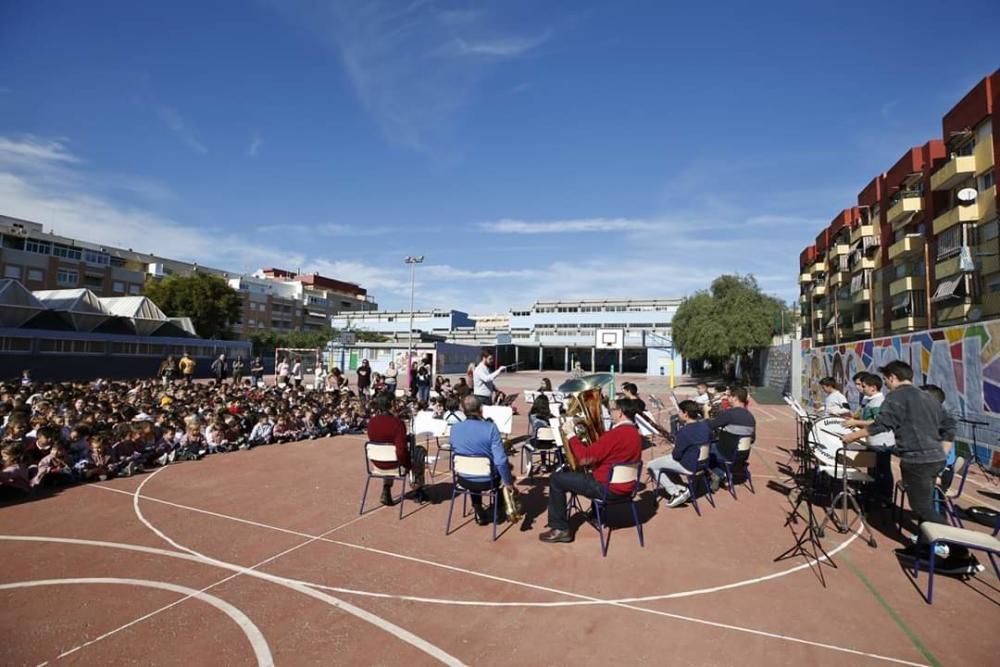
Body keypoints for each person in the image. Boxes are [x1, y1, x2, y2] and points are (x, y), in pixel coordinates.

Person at [841, 361, 952, 560]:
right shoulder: (925, 396)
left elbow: (882, 424)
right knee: (924, 504)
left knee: (921, 507)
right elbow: (950, 424)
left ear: (892, 377)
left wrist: (852, 436)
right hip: (933, 459)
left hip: (917, 461)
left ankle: (956, 548)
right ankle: (927, 545)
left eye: (886, 380)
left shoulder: (897, 397)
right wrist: (942, 451)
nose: (886, 384)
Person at [539, 397, 643, 543]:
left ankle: (560, 529)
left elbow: (584, 458)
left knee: (556, 479)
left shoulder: (615, 435)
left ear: (620, 413)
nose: (610, 414)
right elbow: (614, 455)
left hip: (607, 488)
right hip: (628, 488)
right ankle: (595, 516)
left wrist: (571, 435)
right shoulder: (636, 434)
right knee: (592, 473)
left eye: (612, 411)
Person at [449, 395, 515, 525]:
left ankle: (479, 510)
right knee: (503, 470)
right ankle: (497, 509)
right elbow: (501, 461)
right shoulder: (490, 428)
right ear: (481, 410)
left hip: (463, 478)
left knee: (474, 470)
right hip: (488, 481)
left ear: (463, 411)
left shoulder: (454, 428)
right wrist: (508, 482)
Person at [366, 391, 429, 505]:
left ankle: (386, 488)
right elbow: (401, 452)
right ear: (391, 403)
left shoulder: (371, 422)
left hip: (376, 464)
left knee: (389, 454)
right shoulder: (397, 424)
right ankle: (418, 490)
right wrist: (409, 465)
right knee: (419, 452)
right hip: (395, 465)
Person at [648, 400, 710, 507]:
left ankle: (675, 492)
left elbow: (676, 456)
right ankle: (680, 487)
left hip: (689, 465)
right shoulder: (705, 426)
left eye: (680, 412)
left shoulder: (684, 431)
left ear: (685, 413)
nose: (678, 414)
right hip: (703, 464)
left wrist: (676, 446)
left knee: (652, 465)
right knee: (665, 463)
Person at [842, 374, 891, 503]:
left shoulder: (878, 402)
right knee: (873, 469)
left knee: (882, 470)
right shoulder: (869, 400)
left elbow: (876, 422)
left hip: (881, 442)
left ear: (873, 388)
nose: (861, 389)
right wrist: (854, 420)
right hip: (872, 440)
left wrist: (855, 423)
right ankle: (873, 493)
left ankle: (884, 498)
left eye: (863, 386)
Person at [707, 386, 755, 490]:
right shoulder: (751, 417)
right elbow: (753, 439)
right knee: (717, 445)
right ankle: (721, 474)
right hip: (742, 455)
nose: (727, 398)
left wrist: (705, 412)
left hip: (728, 454)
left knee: (705, 449)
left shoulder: (729, 414)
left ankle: (718, 474)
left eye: (729, 396)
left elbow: (709, 426)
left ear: (735, 398)